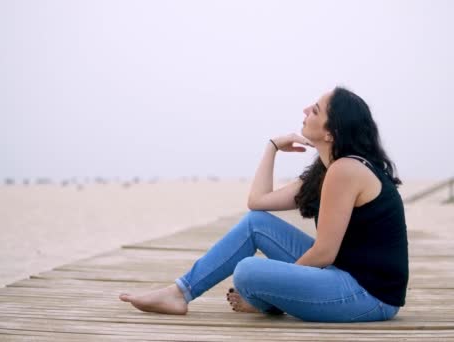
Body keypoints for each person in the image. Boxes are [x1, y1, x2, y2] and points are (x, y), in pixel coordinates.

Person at [119, 86, 408, 322]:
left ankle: (267, 302)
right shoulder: (327, 170)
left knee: (248, 272)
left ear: (331, 132)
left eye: (315, 110)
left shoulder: (346, 170)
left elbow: (324, 253)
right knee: (255, 224)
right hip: (341, 273)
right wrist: (271, 148)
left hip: (369, 295)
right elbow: (257, 203)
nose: (306, 110)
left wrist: (280, 281)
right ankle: (179, 292)